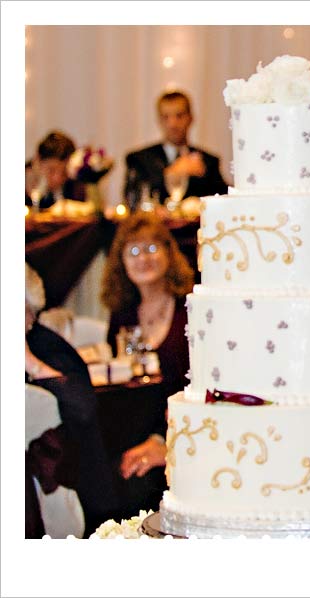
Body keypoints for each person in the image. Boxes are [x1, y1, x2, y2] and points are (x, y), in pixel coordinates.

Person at [99, 213, 192, 514]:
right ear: (122, 262)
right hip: (134, 430)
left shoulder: (189, 308)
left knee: (138, 488)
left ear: (169, 253)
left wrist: (163, 441)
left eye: (152, 248)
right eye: (134, 251)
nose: (143, 259)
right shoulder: (122, 313)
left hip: (185, 430)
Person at [25, 263, 119, 535]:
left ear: (29, 312)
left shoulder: (49, 348)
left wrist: (29, 361)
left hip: (65, 492)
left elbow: (83, 407)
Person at [123, 90, 227, 206]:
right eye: (166, 117)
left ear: (190, 118)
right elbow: (133, 198)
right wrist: (173, 172)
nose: (173, 124)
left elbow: (222, 199)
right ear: (159, 120)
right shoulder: (140, 158)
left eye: (179, 116)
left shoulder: (208, 161)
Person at [26, 131, 86, 210]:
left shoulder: (74, 183)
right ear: (37, 161)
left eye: (64, 172)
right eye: (51, 170)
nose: (57, 178)